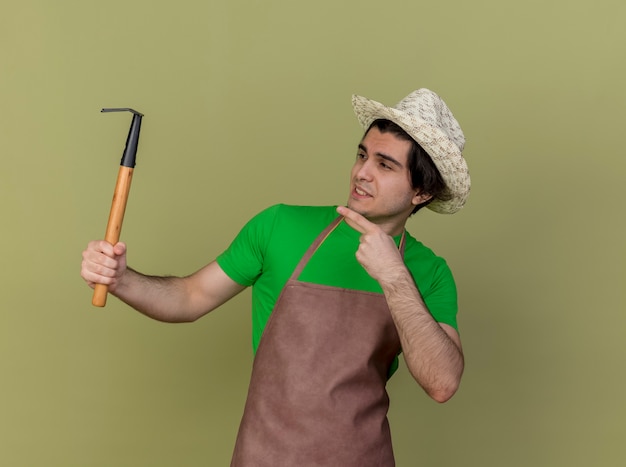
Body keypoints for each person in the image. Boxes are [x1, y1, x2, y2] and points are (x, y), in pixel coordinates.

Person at [81, 88, 470, 467]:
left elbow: (442, 383)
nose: (362, 173)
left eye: (385, 165)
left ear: (421, 192)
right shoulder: (280, 226)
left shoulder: (429, 272)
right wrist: (122, 280)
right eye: (361, 155)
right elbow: (190, 297)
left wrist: (394, 277)